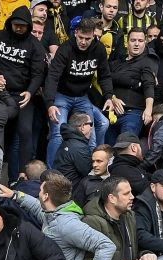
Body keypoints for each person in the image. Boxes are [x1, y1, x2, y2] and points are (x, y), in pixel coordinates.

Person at [0, 5, 46, 181]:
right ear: (11, 23)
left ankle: (21, 177)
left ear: (28, 26)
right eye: (16, 24)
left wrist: (30, 92)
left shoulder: (35, 46)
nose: (19, 28)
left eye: (23, 25)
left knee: (25, 132)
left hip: (21, 95)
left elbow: (38, 74)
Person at [43, 16, 112, 166]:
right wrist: (50, 103)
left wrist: (108, 96)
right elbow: (53, 76)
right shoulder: (65, 48)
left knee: (91, 136)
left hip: (82, 96)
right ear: (75, 33)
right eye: (80, 37)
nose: (83, 42)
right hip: (62, 96)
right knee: (57, 134)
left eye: (87, 38)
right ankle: (51, 173)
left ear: (94, 35)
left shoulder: (99, 49)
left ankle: (91, 171)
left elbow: (105, 75)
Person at [106, 27, 156, 143]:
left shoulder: (147, 63)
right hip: (111, 112)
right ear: (126, 42)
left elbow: (148, 86)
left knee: (125, 143)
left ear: (145, 43)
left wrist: (148, 110)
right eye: (133, 40)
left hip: (133, 113)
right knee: (106, 146)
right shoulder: (116, 63)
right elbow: (105, 82)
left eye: (140, 41)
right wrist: (112, 98)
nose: (137, 44)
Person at [53, 112, 94, 186]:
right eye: (90, 124)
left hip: (61, 188)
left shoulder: (67, 141)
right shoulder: (79, 147)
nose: (91, 127)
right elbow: (88, 172)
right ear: (83, 126)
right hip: (71, 191)